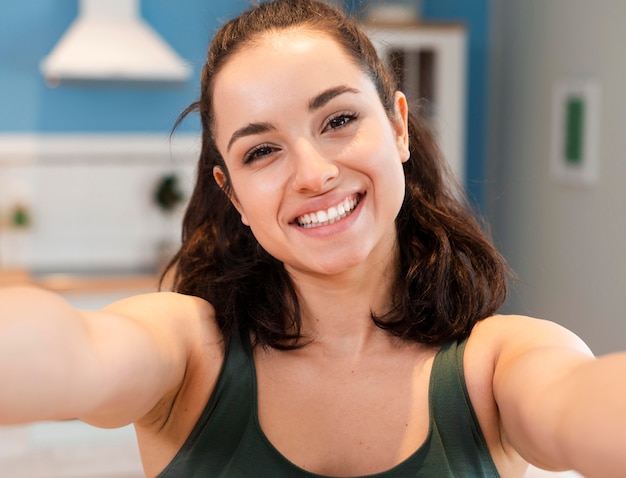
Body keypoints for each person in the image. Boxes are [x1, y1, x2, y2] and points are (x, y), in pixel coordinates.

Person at [1, 0, 625, 476]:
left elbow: (578, 405)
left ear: (399, 127)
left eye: (340, 119)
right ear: (232, 192)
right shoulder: (190, 354)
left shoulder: (501, 363)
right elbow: (75, 351)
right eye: (263, 150)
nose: (314, 174)